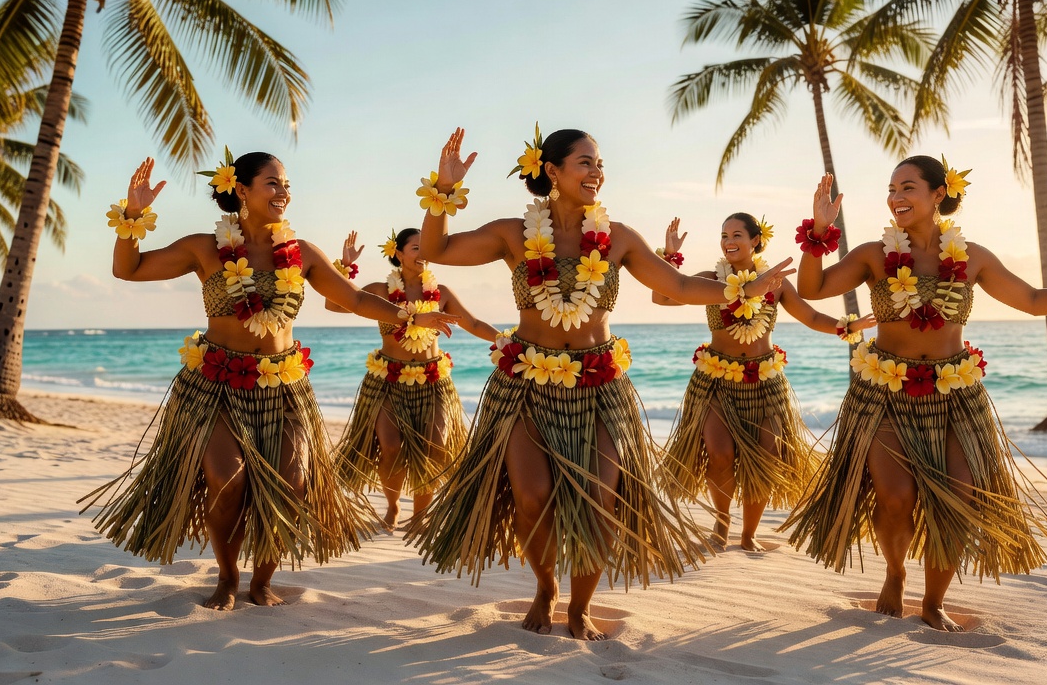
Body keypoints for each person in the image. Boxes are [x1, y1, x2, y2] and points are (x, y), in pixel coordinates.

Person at [406, 127, 794, 640]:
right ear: (552, 171)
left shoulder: (618, 238)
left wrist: (743, 287)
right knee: (531, 496)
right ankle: (546, 587)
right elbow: (438, 249)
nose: (597, 172)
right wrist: (444, 193)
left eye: (600, 163)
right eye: (585, 162)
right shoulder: (513, 234)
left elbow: (676, 285)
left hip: (598, 388)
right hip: (526, 385)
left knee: (599, 498)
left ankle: (580, 607)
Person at [81, 154, 458, 611]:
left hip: (282, 388)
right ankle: (227, 576)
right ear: (240, 189)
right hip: (216, 384)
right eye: (271, 183)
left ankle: (262, 580)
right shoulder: (205, 247)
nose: (283, 192)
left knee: (293, 482)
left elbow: (356, 298)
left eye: (286, 184)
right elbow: (130, 269)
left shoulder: (301, 253)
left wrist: (412, 315)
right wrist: (133, 215)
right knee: (225, 479)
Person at [782, 157, 1047, 631]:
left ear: (938, 194)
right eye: (891, 189)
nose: (896, 197)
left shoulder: (972, 256)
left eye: (907, 187)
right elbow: (814, 287)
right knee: (894, 496)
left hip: (956, 397)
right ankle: (894, 574)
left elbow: (1032, 300)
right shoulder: (874, 253)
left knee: (962, 496)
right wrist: (818, 232)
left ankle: (933, 601)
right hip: (885, 394)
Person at [651, 213, 874, 551]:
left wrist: (848, 327)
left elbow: (811, 316)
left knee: (765, 458)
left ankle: (748, 534)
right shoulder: (712, 280)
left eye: (737, 234)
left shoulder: (776, 283)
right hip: (715, 381)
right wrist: (668, 258)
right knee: (719, 453)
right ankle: (722, 525)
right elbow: (663, 298)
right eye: (723, 234)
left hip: (765, 383)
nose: (728, 241)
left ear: (755, 240)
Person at [329, 227, 499, 530]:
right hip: (388, 381)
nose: (424, 254)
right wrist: (345, 267)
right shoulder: (380, 291)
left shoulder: (441, 292)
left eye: (427, 248)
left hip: (433, 382)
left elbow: (471, 322)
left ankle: (420, 516)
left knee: (435, 444)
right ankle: (393, 507)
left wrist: (505, 341)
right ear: (398, 253)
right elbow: (334, 305)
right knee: (391, 446)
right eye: (417, 248)